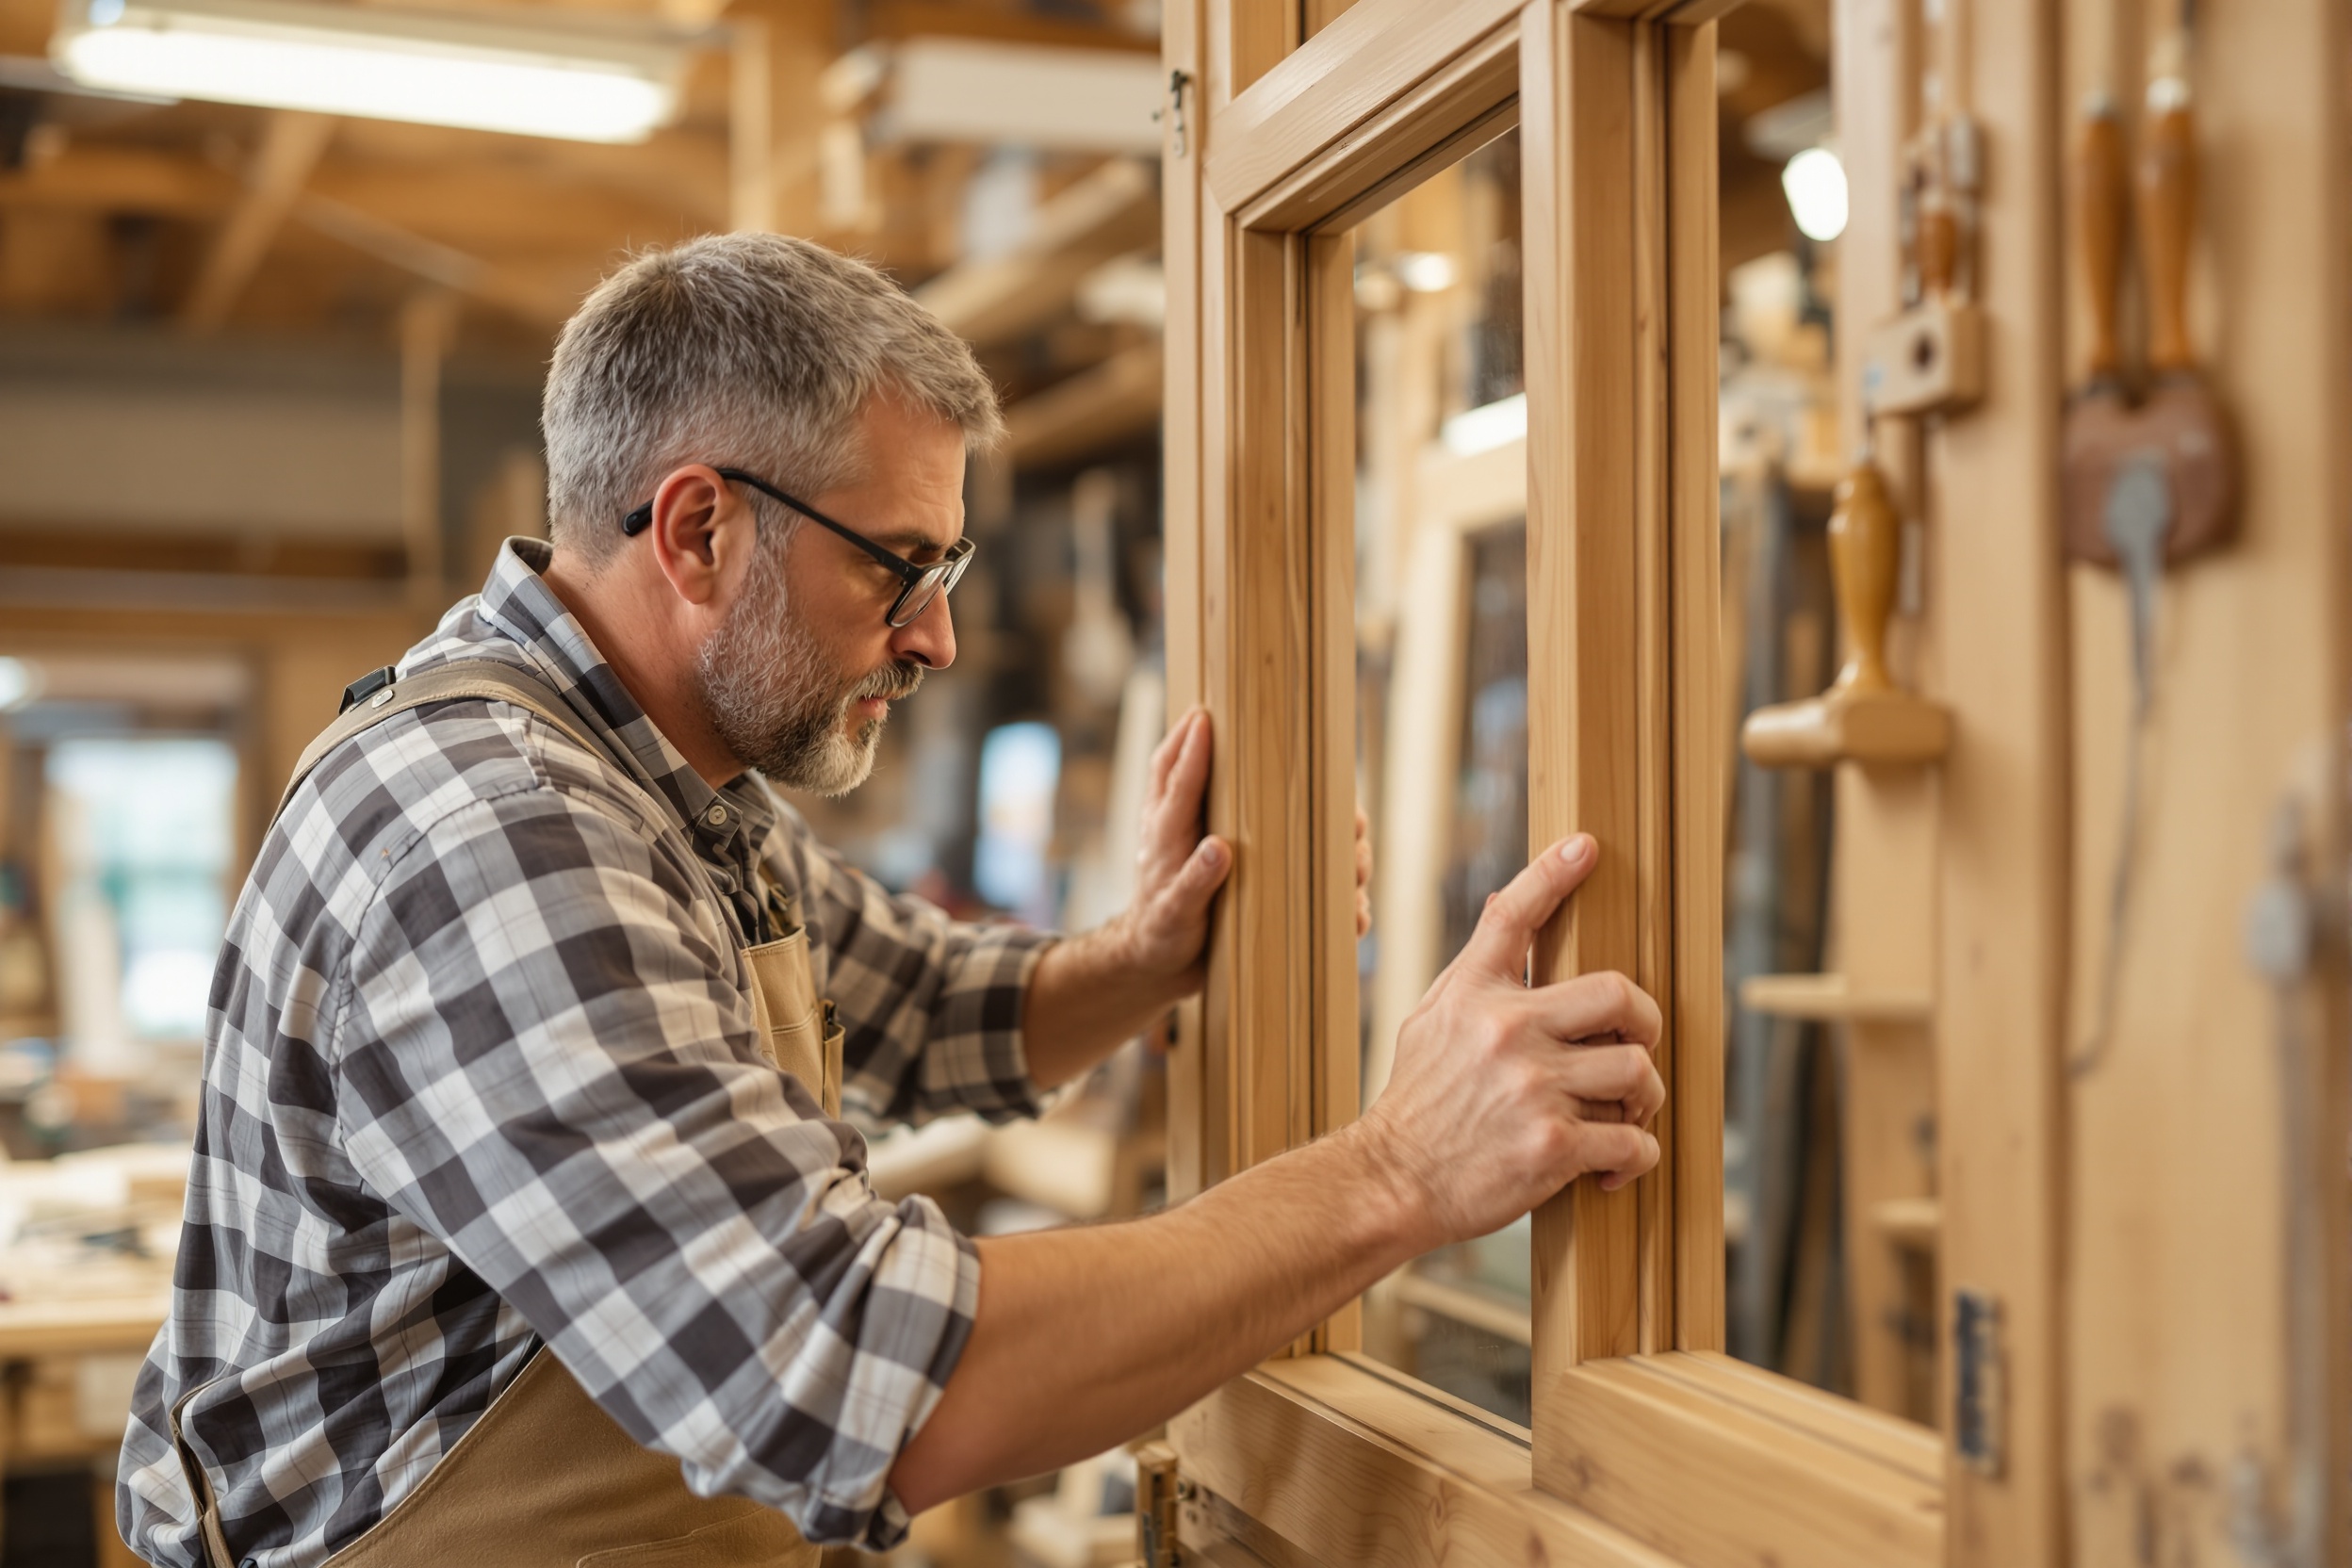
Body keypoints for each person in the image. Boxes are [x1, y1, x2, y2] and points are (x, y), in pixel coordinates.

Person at [118, 233, 1663, 1568]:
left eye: (949, 569)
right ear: (700, 531)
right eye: (896, 567)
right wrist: (1401, 1167)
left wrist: (1150, 957)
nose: (936, 638)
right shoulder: (496, 837)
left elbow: (927, 1004)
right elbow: (838, 1364)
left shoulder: (669, 786)